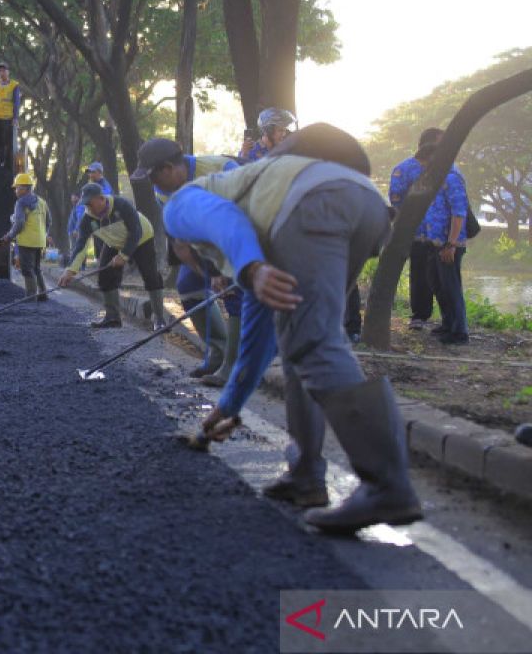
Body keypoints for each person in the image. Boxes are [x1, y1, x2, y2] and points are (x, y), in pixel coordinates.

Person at [164, 125, 423, 534]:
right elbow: (257, 336)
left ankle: (387, 485)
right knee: (302, 341)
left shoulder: (179, 207)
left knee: (315, 343)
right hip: (367, 208)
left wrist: (250, 266)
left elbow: (221, 217)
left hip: (312, 208)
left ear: (181, 243)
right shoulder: (261, 222)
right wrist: (230, 405)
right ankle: (305, 476)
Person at [133, 138, 241, 383]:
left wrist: (219, 270)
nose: (153, 184)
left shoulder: (222, 171)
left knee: (235, 290)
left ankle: (235, 366)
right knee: (188, 284)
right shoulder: (164, 191)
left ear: (168, 169)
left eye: (153, 177)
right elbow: (181, 236)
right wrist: (200, 267)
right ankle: (218, 352)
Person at [60, 183, 167, 330]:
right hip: (114, 242)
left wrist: (123, 256)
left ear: (101, 198)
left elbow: (136, 232)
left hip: (142, 238)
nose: (88, 208)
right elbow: (80, 245)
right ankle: (112, 317)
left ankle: (160, 319)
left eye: (90, 204)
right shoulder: (87, 220)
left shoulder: (122, 205)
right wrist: (70, 270)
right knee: (105, 275)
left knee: (151, 276)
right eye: (86, 205)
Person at [389, 128, 442, 330]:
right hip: (416, 232)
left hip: (440, 232)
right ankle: (420, 315)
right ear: (428, 144)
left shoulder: (444, 167)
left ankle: (449, 317)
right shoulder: (404, 169)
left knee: (442, 276)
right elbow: (396, 200)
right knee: (420, 273)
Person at [420, 149, 471, 346]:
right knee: (437, 284)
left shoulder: (452, 179)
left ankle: (460, 331)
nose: (424, 167)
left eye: (426, 163)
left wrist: (451, 244)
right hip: (435, 243)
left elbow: (459, 214)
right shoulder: (437, 179)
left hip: (449, 245)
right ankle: (448, 323)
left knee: (451, 287)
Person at [1, 173, 51, 299]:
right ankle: (43, 295)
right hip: (40, 241)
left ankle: (30, 296)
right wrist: (44, 234)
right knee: (37, 268)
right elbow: (49, 221)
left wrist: (9, 236)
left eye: (17, 188)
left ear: (24, 189)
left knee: (27, 270)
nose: (15, 191)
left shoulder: (20, 203)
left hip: (27, 242)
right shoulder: (42, 202)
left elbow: (19, 223)